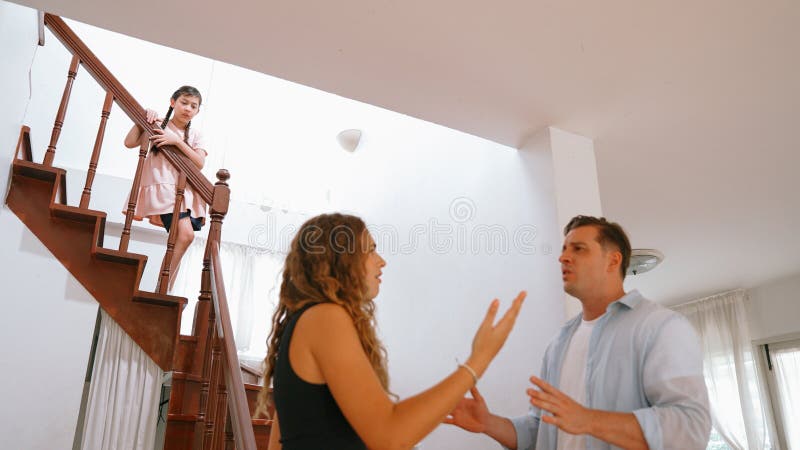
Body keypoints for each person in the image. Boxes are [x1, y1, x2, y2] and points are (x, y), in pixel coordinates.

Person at [255, 213, 526, 450]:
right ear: (340, 260)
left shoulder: (309, 321)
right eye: (371, 250)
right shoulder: (326, 317)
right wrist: (479, 359)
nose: (381, 261)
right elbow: (390, 436)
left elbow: (282, 438)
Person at [446, 215, 711, 450]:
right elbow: (541, 430)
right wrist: (489, 423)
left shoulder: (661, 327)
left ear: (613, 260)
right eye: (563, 249)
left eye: (578, 249)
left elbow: (690, 428)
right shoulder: (559, 343)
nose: (563, 257)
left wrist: (588, 420)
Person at [123, 85, 208, 291]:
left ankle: (165, 288)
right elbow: (129, 142)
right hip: (163, 187)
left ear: (198, 111)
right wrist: (143, 118)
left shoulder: (196, 134)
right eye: (184, 102)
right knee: (186, 235)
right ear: (173, 102)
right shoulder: (159, 124)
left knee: (182, 238)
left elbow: (199, 162)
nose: (188, 108)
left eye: (193, 106)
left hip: (184, 192)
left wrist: (176, 141)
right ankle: (163, 287)